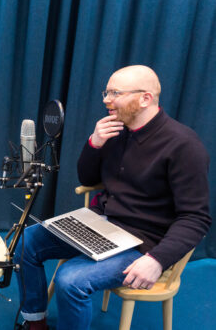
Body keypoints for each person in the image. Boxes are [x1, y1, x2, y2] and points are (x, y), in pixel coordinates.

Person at [15, 65, 211, 330]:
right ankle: (35, 323)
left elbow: (196, 218)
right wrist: (94, 144)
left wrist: (157, 260)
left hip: (143, 243)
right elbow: (87, 179)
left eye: (115, 93)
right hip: (102, 222)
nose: (106, 100)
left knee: (70, 280)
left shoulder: (184, 145)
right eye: (106, 92)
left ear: (145, 98)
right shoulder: (117, 129)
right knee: (26, 240)